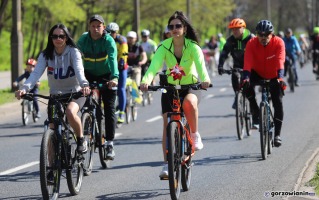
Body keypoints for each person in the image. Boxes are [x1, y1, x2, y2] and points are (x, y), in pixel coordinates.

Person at [140, 11, 211, 178]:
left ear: (185, 28)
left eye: (178, 26)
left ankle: (194, 134)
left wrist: (205, 80)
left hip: (191, 85)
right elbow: (153, 67)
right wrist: (146, 80)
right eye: (171, 26)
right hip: (170, 87)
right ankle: (167, 164)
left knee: (188, 103)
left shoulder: (193, 46)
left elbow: (201, 67)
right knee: (167, 122)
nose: (174, 29)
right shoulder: (164, 46)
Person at [15, 23, 90, 153]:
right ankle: (50, 170)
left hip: (76, 92)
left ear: (66, 38)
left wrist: (84, 85)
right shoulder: (45, 55)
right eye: (54, 36)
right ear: (51, 38)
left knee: (70, 113)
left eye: (61, 36)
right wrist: (24, 89)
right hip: (55, 95)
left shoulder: (74, 52)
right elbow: (35, 74)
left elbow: (79, 70)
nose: (58, 39)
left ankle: (81, 139)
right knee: (51, 128)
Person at [77, 15, 119, 160]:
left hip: (107, 76)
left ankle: (109, 143)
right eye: (93, 26)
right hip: (88, 74)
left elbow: (113, 59)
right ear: (89, 27)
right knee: (85, 104)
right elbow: (75, 57)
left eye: (99, 26)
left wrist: (114, 77)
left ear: (104, 27)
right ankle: (87, 124)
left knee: (109, 108)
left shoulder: (108, 40)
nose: (96, 29)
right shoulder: (83, 39)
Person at [242, 20, 286, 147]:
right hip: (257, 72)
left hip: (274, 74)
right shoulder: (251, 43)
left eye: (266, 35)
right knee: (245, 84)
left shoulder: (278, 42)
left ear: (271, 34)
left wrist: (280, 78)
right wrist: (246, 78)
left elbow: (280, 60)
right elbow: (248, 62)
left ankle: (277, 135)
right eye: (260, 35)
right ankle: (255, 110)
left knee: (278, 102)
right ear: (256, 34)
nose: (263, 37)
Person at [218, 18, 254, 109]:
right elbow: (224, 53)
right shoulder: (231, 40)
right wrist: (220, 66)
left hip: (251, 65)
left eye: (237, 28)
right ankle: (237, 95)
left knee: (250, 87)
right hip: (237, 65)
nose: (234, 31)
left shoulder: (251, 38)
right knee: (234, 76)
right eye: (233, 29)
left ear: (243, 28)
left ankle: (254, 107)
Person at [106, 22, 128, 124]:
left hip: (121, 67)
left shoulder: (122, 40)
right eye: (109, 32)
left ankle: (122, 112)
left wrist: (120, 63)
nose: (111, 34)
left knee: (121, 89)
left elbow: (123, 54)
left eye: (113, 32)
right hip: (109, 66)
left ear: (117, 32)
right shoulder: (105, 39)